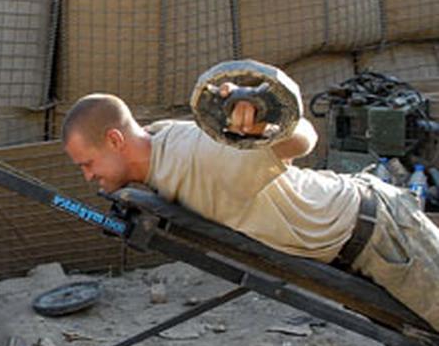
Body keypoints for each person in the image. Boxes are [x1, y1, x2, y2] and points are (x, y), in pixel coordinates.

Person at [62, 60, 439, 331]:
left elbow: (303, 139)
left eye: (88, 163)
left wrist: (265, 123)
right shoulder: (157, 143)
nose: (88, 175)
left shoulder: (202, 156)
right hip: (354, 241)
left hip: (383, 234)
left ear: (115, 140)